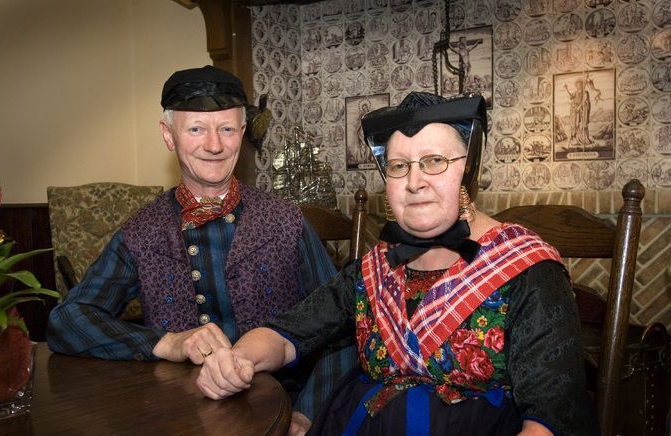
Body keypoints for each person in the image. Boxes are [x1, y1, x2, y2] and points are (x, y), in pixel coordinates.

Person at [195, 92, 600, 435]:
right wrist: (238, 359)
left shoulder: (528, 270)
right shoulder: (373, 268)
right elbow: (287, 334)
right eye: (398, 166)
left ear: (468, 169)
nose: (415, 181)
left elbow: (548, 421)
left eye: (435, 161)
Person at [46, 65, 356, 433]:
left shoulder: (288, 222)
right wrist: (168, 343)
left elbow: (345, 327)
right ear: (168, 135)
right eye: (196, 129)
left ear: (242, 134)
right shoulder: (142, 232)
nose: (214, 145)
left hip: (284, 409)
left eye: (227, 129)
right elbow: (66, 320)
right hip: (180, 416)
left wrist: (307, 413)